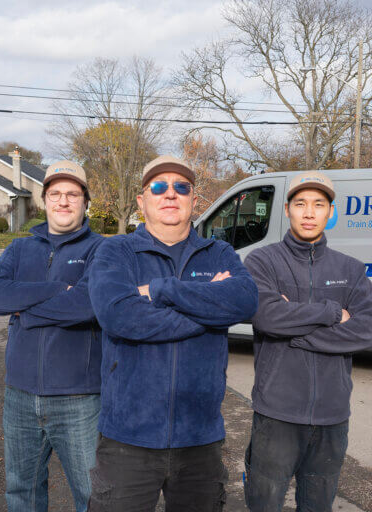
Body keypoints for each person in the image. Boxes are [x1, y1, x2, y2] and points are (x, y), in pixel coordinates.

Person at [86, 155, 258, 512]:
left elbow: (244, 301)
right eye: (158, 186)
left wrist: (159, 290)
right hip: (128, 438)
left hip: (200, 437)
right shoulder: (115, 251)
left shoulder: (219, 253)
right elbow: (119, 316)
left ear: (194, 200)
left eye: (182, 187)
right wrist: (210, 310)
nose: (170, 194)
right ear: (142, 200)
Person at [242, 171, 372, 512]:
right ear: (287, 209)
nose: (309, 212)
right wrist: (331, 312)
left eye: (318, 204)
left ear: (331, 212)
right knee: (263, 503)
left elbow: (364, 331)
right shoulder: (262, 261)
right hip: (277, 413)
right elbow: (266, 317)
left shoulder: (352, 270)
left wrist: (293, 332)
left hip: (332, 416)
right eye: (300, 203)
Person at [0, 161, 104, 512]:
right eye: (56, 194)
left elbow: (88, 304)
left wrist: (26, 311)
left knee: (93, 495)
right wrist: (56, 289)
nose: (63, 201)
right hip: (19, 396)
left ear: (85, 202)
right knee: (22, 493)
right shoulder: (19, 249)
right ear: (45, 199)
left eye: (72, 194)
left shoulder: (101, 250)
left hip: (79, 399)